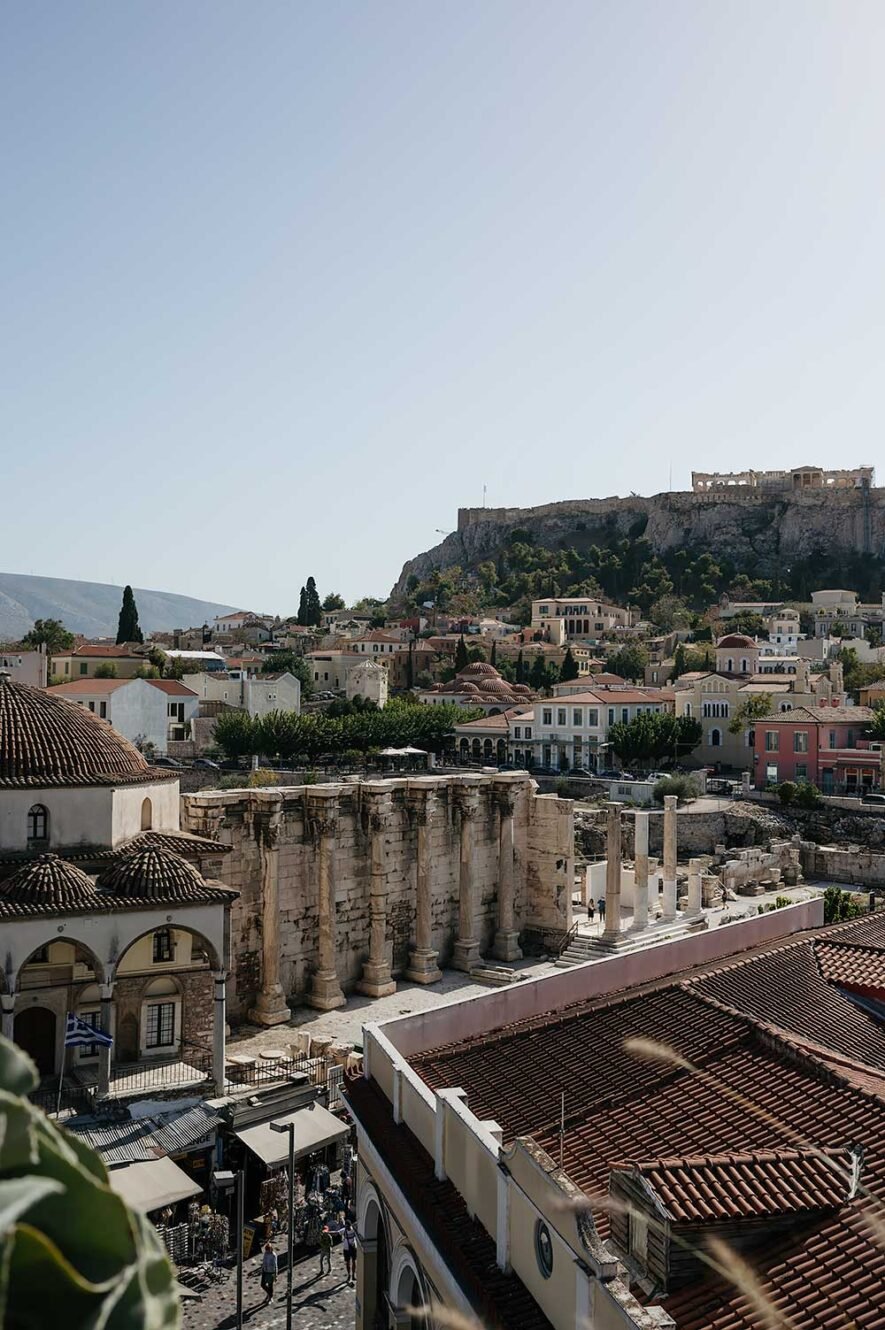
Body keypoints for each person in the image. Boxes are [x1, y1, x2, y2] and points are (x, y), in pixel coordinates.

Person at [341, 1220, 356, 1284]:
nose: (347, 1228)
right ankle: (349, 1275)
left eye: (347, 1226)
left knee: (353, 1261)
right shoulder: (344, 1230)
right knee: (348, 1262)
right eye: (346, 1226)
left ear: (350, 1225)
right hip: (346, 1248)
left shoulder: (354, 1229)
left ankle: (353, 1275)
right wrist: (327, 1232)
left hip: (353, 1248)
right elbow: (336, 1232)